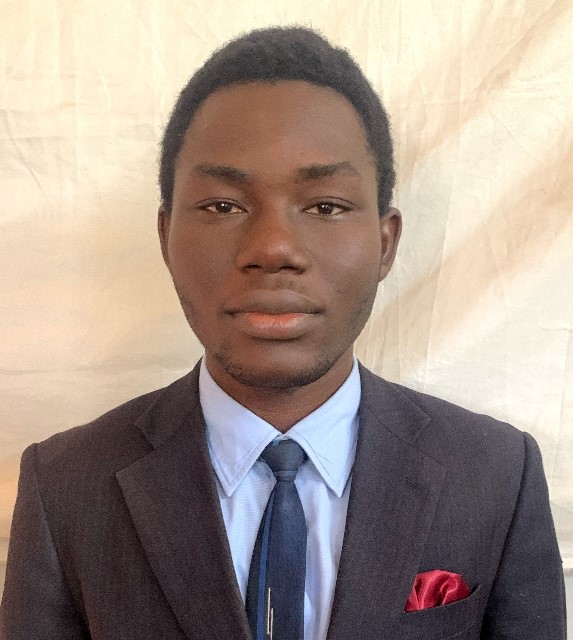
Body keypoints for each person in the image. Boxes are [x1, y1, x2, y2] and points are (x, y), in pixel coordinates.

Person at [0, 26, 566, 640]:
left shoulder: (495, 475)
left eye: (325, 206)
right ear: (165, 238)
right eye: (223, 206)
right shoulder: (66, 486)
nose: (273, 248)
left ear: (385, 243)